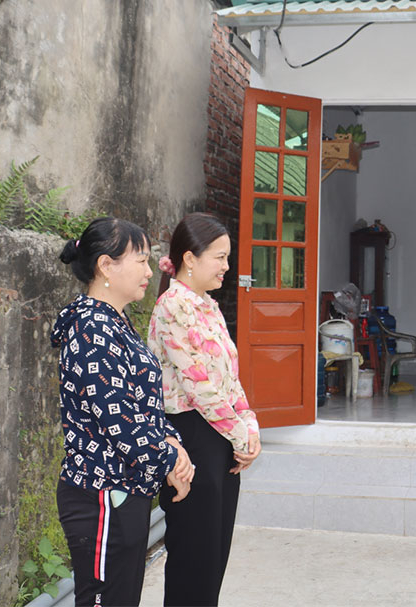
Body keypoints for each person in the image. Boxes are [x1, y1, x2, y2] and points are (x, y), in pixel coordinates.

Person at [53, 217, 195, 607]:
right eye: (141, 260)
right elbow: (119, 421)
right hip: (101, 494)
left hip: (124, 489)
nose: (150, 272)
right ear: (106, 266)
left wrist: (172, 444)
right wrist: (169, 459)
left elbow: (142, 403)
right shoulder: (92, 329)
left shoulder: (114, 323)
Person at [148, 213, 261, 607]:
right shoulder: (172, 306)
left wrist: (250, 426)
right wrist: (240, 435)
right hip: (191, 438)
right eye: (220, 257)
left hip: (221, 436)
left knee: (213, 558)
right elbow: (198, 386)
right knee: (193, 559)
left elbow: (229, 377)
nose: (227, 266)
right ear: (190, 258)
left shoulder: (208, 306)